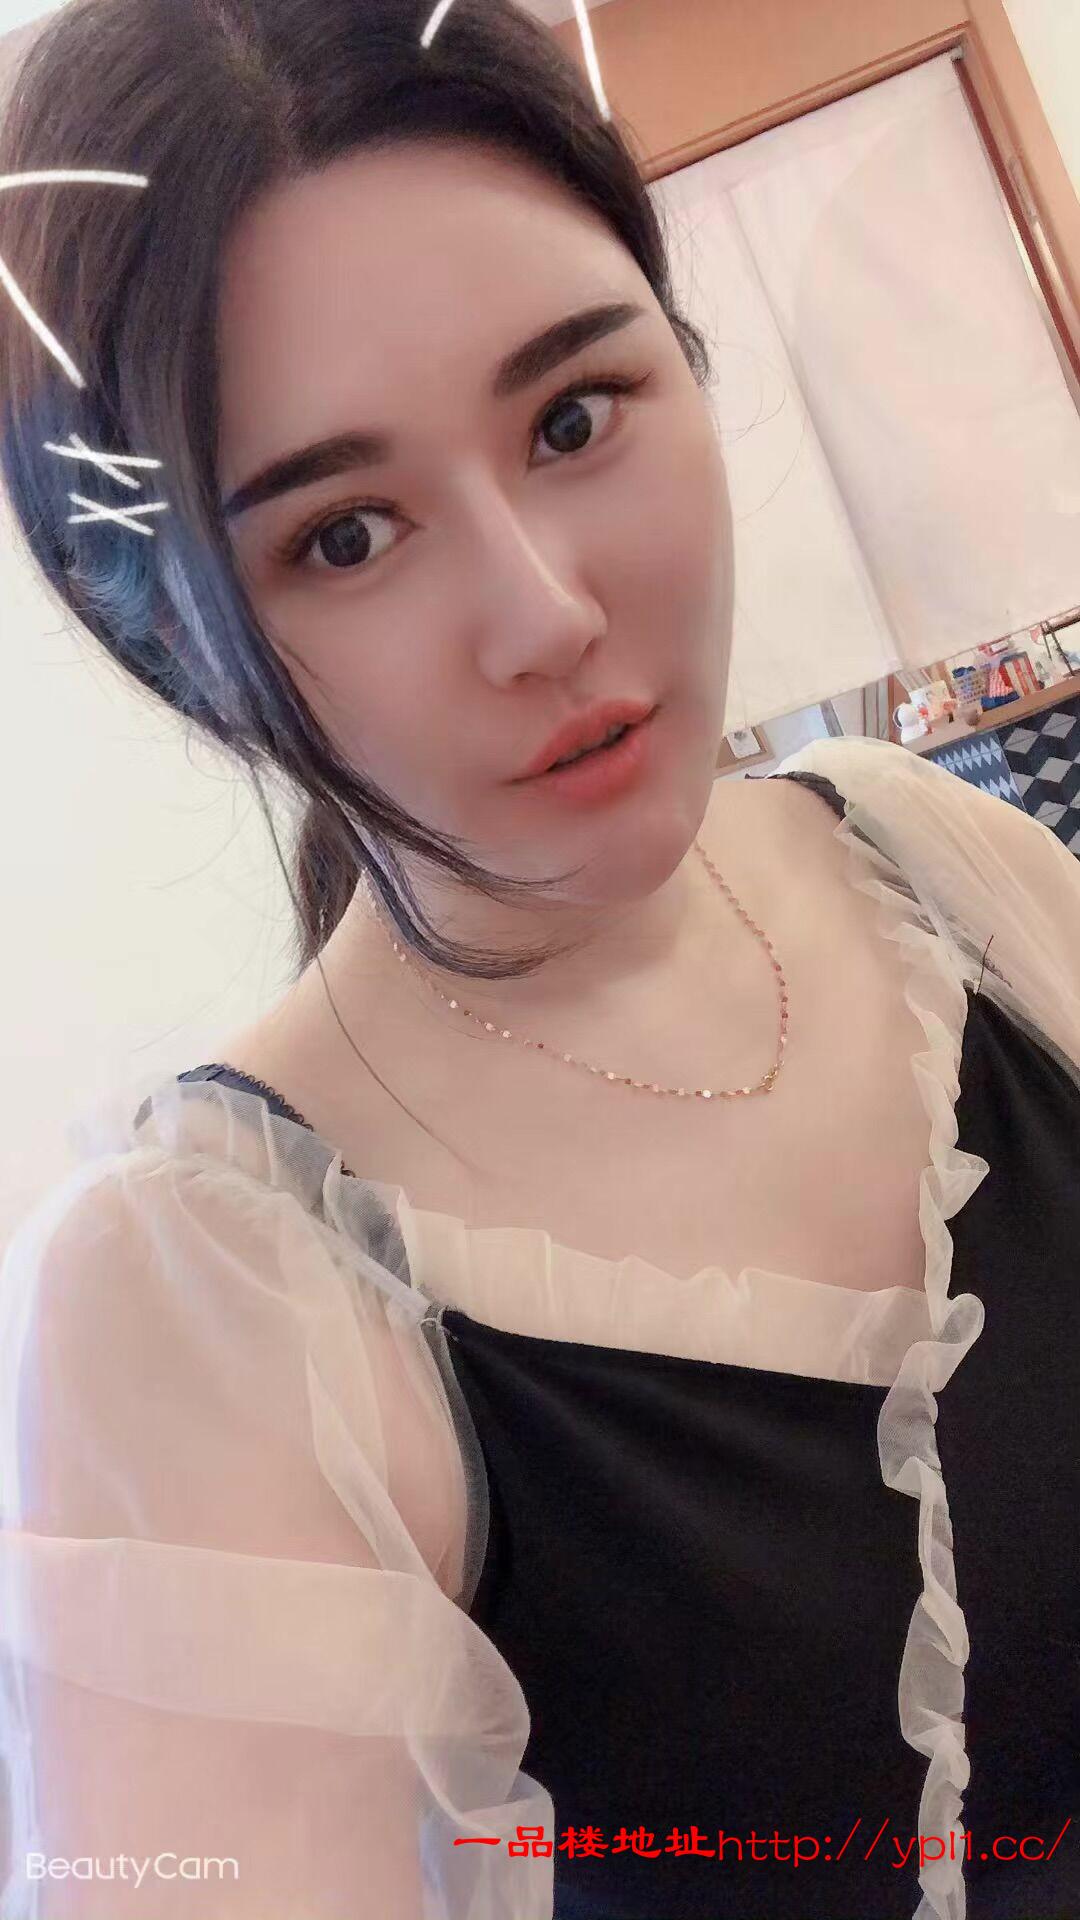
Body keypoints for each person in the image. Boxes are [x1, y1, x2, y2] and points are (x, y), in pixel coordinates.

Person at [0, 2, 1077, 1916]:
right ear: (176, 643)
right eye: (347, 536)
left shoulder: (944, 861)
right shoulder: (204, 1307)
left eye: (574, 417)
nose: (545, 611)